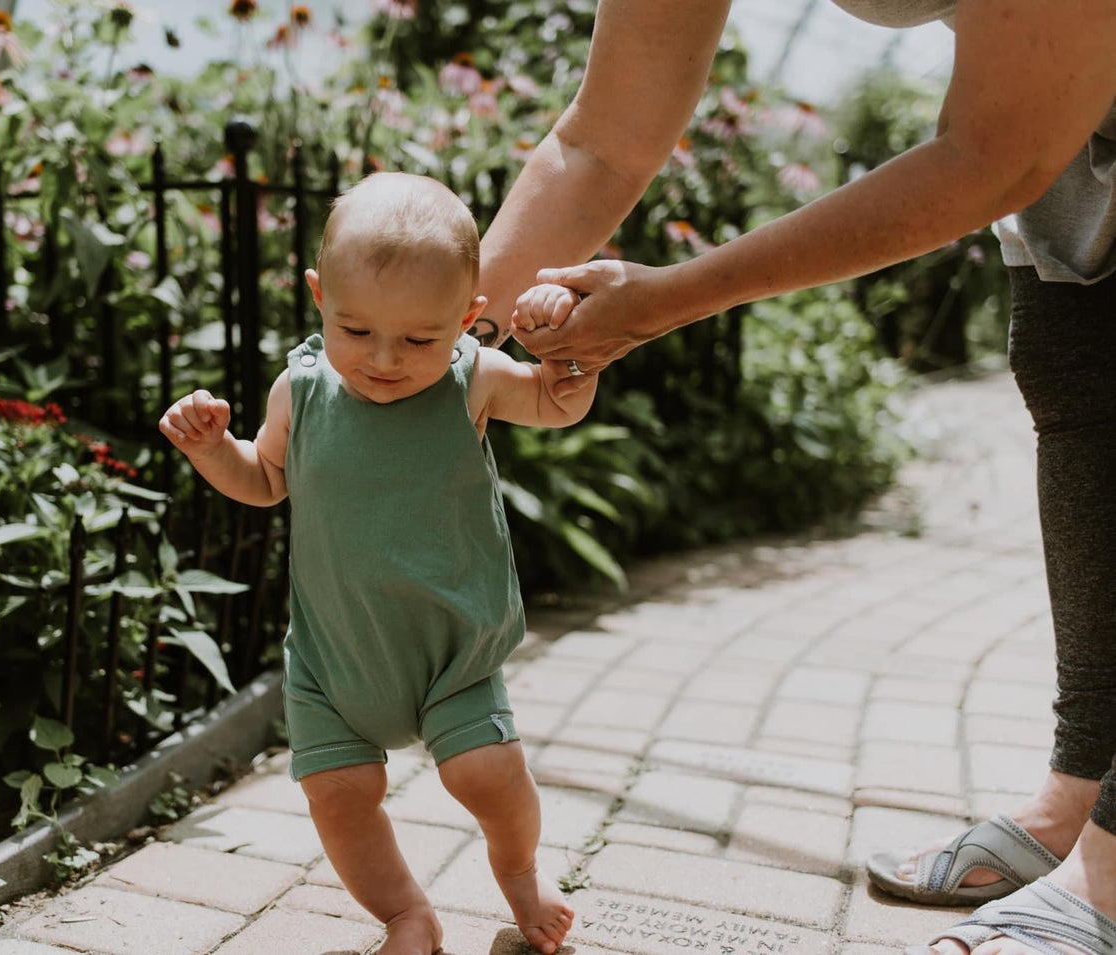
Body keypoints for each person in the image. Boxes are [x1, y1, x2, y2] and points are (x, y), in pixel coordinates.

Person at [475, 3, 1116, 955]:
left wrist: (668, 298)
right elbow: (601, 140)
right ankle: (1080, 790)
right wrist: (421, 355)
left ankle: (1107, 873)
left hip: (1036, 110)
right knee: (1072, 373)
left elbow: (992, 153)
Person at [158, 172, 593, 955]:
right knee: (339, 795)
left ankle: (521, 873)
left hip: (449, 651)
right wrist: (211, 448)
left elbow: (556, 400)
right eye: (355, 330)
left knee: (484, 774)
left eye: (420, 338)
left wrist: (566, 352)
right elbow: (263, 480)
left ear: (465, 320)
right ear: (320, 297)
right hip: (334, 657)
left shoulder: (473, 376)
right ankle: (405, 914)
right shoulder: (301, 389)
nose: (384, 359)